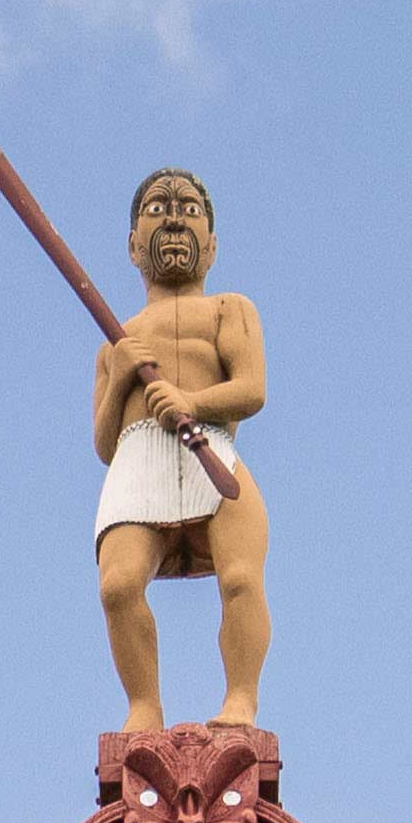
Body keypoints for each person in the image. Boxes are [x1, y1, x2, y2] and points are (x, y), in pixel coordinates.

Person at [87, 165, 267, 732]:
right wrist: (120, 378)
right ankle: (144, 705)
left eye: (189, 209)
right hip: (139, 459)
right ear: (133, 244)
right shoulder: (118, 337)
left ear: (211, 244)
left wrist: (190, 399)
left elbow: (251, 390)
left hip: (210, 451)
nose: (173, 218)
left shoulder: (227, 309)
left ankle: (241, 698)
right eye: (157, 209)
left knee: (240, 578)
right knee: (117, 585)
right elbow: (103, 441)